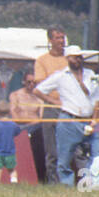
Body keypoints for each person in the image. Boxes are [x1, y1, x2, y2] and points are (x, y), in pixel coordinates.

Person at [35, 44, 99, 186]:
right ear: (68, 59)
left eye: (79, 57)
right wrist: (53, 101)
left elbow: (97, 97)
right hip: (68, 119)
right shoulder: (60, 76)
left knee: (91, 155)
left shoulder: (91, 75)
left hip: (87, 120)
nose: (78, 60)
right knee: (64, 157)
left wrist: (95, 119)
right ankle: (66, 186)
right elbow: (38, 90)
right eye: (74, 57)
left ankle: (88, 185)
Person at [34, 26, 69, 182]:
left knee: (74, 149)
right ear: (50, 40)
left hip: (70, 107)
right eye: (58, 38)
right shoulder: (42, 61)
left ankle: (73, 181)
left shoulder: (70, 58)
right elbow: (41, 86)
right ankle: (52, 182)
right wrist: (54, 101)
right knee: (51, 150)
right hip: (51, 108)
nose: (61, 41)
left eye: (63, 37)